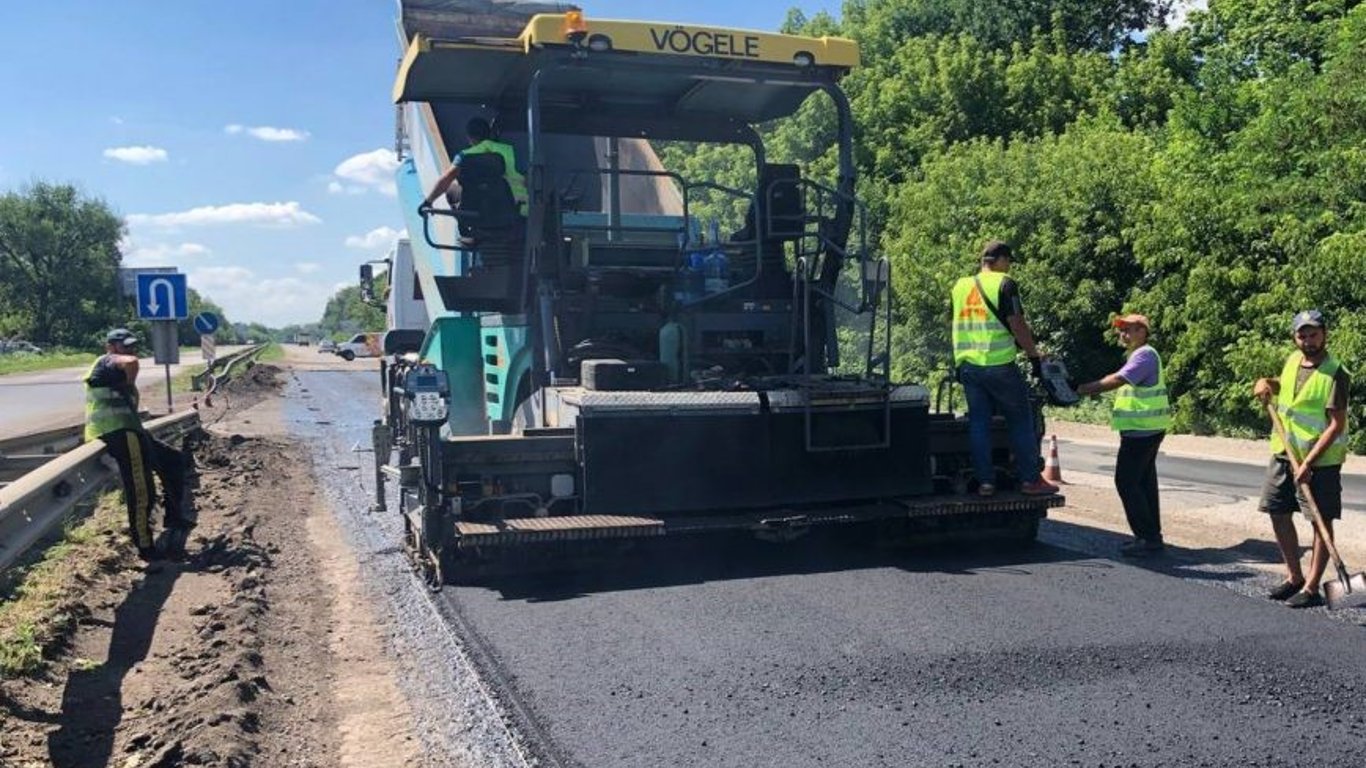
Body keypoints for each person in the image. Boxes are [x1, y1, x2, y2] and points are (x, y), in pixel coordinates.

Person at [1253, 309, 1351, 608]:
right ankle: (1294, 577)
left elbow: (1336, 424)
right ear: (1296, 337)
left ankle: (1311, 588)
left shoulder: (1336, 372)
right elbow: (1287, 387)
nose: (1308, 340)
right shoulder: (1294, 360)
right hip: (1284, 452)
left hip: (1319, 462)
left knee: (1320, 521)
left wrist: (1308, 463)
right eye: (1302, 335)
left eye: (1313, 334)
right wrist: (1266, 383)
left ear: (1324, 334)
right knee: (1276, 510)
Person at [949, 240, 1058, 497]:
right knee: (1021, 421)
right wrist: (1033, 356)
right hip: (998, 365)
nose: (1009, 267)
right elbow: (1017, 324)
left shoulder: (960, 286)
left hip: (968, 365)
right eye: (1008, 261)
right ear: (998, 260)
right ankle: (1030, 480)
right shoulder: (1004, 283)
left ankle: (986, 482)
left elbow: (953, 322)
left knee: (979, 423)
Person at [84, 328, 190, 562]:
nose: (130, 351)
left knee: (173, 460)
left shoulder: (113, 368)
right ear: (111, 346)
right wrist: (128, 379)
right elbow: (131, 362)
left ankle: (174, 518)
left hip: (132, 431)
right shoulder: (106, 361)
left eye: (132, 346)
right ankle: (146, 547)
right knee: (142, 490)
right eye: (125, 346)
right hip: (117, 433)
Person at [1075, 314, 1171, 556]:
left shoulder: (1145, 355)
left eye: (1128, 329)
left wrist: (1083, 389)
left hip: (1142, 431)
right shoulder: (1141, 354)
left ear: (1142, 331)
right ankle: (1151, 536)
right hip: (1145, 429)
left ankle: (1146, 538)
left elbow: (1118, 380)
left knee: (1126, 482)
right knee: (1144, 483)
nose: (1122, 334)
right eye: (1121, 330)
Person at [422, 117, 527, 216]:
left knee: (452, 188)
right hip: (519, 211)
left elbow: (446, 179)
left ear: (469, 137)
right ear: (489, 134)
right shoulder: (511, 151)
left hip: (483, 216)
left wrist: (428, 201)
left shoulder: (465, 156)